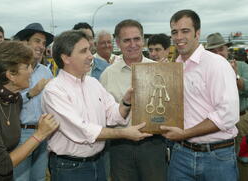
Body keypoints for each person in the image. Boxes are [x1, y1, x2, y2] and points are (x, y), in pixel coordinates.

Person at [41, 30, 151, 181]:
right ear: (66, 58)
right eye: (83, 51)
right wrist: (124, 133)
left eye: (90, 50)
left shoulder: (93, 83)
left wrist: (126, 102)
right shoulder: (54, 91)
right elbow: (82, 130)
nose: (90, 56)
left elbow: (113, 115)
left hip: (99, 162)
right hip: (70, 168)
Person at [160, 10, 239, 181]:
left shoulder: (216, 64)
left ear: (197, 33)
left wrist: (185, 133)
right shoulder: (176, 67)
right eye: (174, 32)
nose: (179, 37)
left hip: (217, 157)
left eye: (185, 31)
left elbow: (227, 115)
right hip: (181, 154)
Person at [0, 41, 59, 181]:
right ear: (11, 75)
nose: (31, 71)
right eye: (27, 66)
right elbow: (3, 165)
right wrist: (40, 134)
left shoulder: (14, 99)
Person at [100, 19, 167, 181]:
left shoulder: (160, 70)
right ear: (118, 43)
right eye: (127, 40)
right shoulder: (107, 75)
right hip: (120, 147)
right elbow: (103, 115)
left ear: (143, 40)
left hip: (154, 145)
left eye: (137, 39)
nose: (133, 44)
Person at [13, 23, 54, 181]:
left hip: (43, 132)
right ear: (25, 43)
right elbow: (6, 102)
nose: (41, 46)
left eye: (43, 43)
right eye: (37, 41)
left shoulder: (46, 71)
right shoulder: (13, 69)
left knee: (39, 178)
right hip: (21, 134)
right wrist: (31, 93)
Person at [205, 32, 248, 181]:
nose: (218, 53)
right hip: (211, 123)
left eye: (221, 49)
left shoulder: (241, 66)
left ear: (227, 49)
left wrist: (235, 77)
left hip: (239, 120)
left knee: (236, 158)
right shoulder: (205, 69)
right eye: (213, 50)